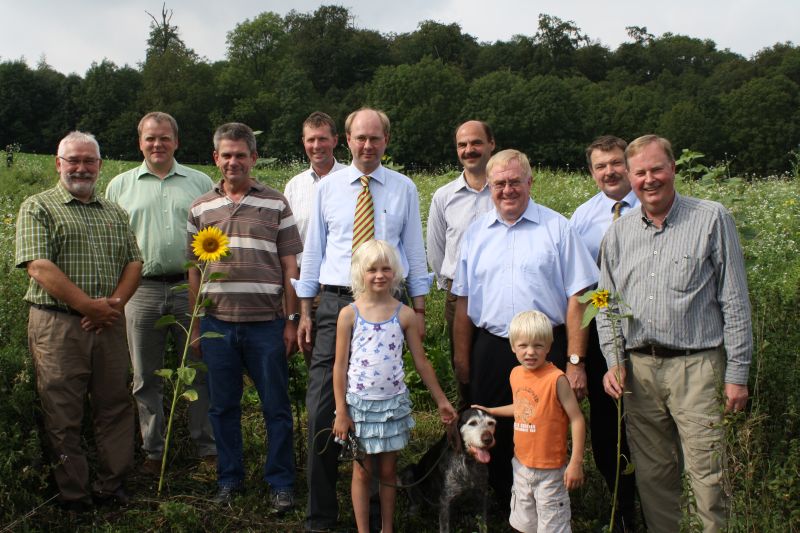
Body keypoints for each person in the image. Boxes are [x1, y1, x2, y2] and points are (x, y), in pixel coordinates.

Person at [598, 135, 752, 532]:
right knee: (653, 475)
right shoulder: (617, 234)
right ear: (630, 178)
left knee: (709, 473)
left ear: (673, 169)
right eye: (640, 172)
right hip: (639, 372)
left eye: (656, 169)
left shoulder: (711, 218)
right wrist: (613, 360)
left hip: (698, 368)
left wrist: (737, 373)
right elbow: (604, 303)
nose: (649, 179)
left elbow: (734, 300)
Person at [295, 107, 430, 531]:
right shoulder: (328, 188)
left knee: (377, 402)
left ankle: (372, 509)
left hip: (388, 306)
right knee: (322, 407)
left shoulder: (404, 188)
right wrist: (305, 309)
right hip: (336, 302)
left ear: (386, 141)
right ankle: (321, 515)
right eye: (360, 138)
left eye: (375, 138)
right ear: (347, 140)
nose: (367, 146)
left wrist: (420, 307)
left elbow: (415, 249)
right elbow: (314, 251)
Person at [452, 149, 597, 508]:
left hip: (545, 350)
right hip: (492, 347)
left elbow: (580, 297)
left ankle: (549, 504)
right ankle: (506, 505)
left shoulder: (557, 228)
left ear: (530, 182)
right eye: (499, 183)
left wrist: (576, 361)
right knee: (491, 427)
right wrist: (462, 359)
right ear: (489, 188)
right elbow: (464, 302)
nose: (507, 189)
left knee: (545, 428)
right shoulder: (475, 234)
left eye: (515, 181)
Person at [15, 131, 142, 511]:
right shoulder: (38, 207)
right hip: (58, 326)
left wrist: (113, 305)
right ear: (59, 163)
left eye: (89, 161)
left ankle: (111, 485)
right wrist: (88, 306)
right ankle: (74, 495)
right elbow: (38, 266)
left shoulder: (113, 211)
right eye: (73, 160)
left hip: (109, 323)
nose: (81, 168)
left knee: (115, 405)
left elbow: (134, 262)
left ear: (100, 165)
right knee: (62, 411)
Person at [186, 123, 302, 511]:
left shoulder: (276, 203)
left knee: (275, 407)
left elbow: (290, 266)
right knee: (222, 407)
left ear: (253, 158)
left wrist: (290, 319)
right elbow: (193, 271)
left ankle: (281, 483)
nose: (233, 161)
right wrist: (196, 324)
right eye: (226, 155)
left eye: (241, 154)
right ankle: (229, 479)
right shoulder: (200, 207)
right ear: (215, 158)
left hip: (266, 325)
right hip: (218, 325)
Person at [106, 112, 216, 476]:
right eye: (151, 138)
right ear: (140, 142)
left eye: (165, 138)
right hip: (141, 291)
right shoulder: (120, 186)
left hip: (192, 289)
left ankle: (207, 448)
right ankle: (155, 452)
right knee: (145, 376)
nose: (158, 144)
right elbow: (112, 243)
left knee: (199, 369)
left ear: (176, 142)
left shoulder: (199, 182)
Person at [332, 240, 456, 533]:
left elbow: (422, 363)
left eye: (385, 268)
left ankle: (387, 528)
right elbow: (338, 366)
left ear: (395, 272)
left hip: (392, 406)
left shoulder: (404, 314)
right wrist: (340, 411)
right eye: (372, 269)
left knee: (387, 472)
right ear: (360, 273)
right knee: (362, 473)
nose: (379, 275)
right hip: (359, 406)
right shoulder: (349, 314)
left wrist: (441, 400)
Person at [568, 135, 639, 530]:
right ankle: (623, 510)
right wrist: (577, 357)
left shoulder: (649, 205)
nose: (609, 171)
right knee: (609, 429)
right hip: (601, 332)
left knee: (647, 424)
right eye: (601, 166)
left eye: (616, 163)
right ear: (592, 171)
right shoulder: (583, 217)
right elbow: (580, 289)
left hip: (646, 331)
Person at [475, 310, 585, 533]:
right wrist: (491, 410)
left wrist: (575, 463)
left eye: (538, 345)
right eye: (523, 345)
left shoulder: (557, 379)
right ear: (513, 346)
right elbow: (523, 409)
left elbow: (577, 419)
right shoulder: (516, 374)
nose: (530, 352)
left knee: (552, 526)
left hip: (551, 471)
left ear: (549, 345)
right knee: (522, 524)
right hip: (522, 465)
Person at [426, 120, 495, 406]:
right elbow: (436, 249)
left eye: (476, 143)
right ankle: (470, 438)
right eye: (462, 145)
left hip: (500, 293)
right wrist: (450, 286)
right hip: (459, 296)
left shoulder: (506, 189)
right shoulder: (444, 197)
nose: (469, 150)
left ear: (491, 144)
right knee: (463, 367)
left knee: (502, 366)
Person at [284, 111, 347, 365]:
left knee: (346, 355)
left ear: (335, 140)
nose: (316, 146)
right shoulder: (294, 186)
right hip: (304, 282)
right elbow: (287, 242)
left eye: (322, 139)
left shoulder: (351, 181)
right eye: (311, 140)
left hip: (339, 283)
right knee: (312, 353)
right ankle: (323, 405)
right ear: (303, 142)